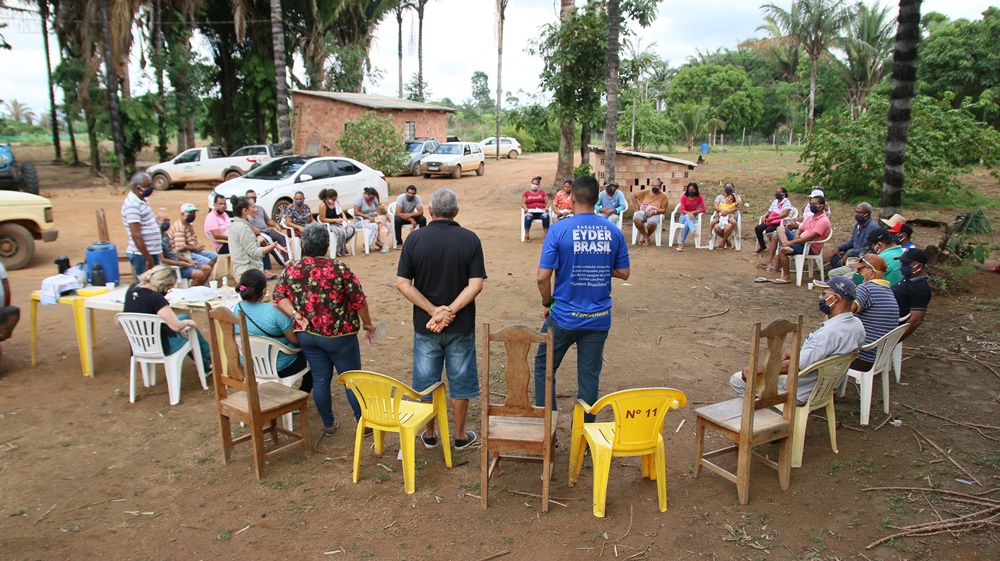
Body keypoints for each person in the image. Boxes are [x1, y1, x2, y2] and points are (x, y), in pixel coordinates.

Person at [533, 175, 630, 422]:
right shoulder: (612, 231)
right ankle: (585, 436)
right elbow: (624, 272)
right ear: (597, 199)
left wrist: (547, 303)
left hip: (564, 317)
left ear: (572, 198)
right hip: (598, 319)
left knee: (544, 368)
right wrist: (596, 262)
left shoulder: (558, 230)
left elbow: (543, 277)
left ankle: (548, 432)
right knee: (589, 378)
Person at [396, 188, 486, 450]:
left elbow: (403, 283)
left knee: (426, 381)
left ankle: (431, 434)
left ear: (431, 212)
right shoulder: (470, 239)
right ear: (456, 212)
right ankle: (459, 436)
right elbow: (476, 285)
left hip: (426, 327)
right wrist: (449, 311)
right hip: (460, 326)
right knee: (460, 380)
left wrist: (433, 311)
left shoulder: (414, 239)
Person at [274, 223, 376, 436]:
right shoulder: (339, 269)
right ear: (328, 244)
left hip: (308, 335)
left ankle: (328, 424)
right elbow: (359, 301)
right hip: (340, 336)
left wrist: (295, 314)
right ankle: (363, 423)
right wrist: (367, 323)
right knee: (351, 379)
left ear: (303, 244)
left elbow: (278, 296)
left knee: (320, 379)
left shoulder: (292, 269)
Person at [730, 275, 865, 404]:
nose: (820, 297)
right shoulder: (857, 325)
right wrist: (798, 353)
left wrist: (759, 369)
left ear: (835, 298)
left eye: (824, 294)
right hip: (825, 386)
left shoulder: (829, 333)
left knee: (737, 379)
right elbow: (821, 353)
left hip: (802, 389)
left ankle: (761, 416)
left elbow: (796, 365)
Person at [233, 269, 311, 393]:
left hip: (250, 364)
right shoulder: (273, 312)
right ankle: (303, 392)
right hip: (279, 366)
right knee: (314, 355)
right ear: (264, 290)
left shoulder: (236, 308)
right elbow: (296, 341)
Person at [123, 264, 211, 373]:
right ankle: (207, 361)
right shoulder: (155, 298)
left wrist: (180, 323)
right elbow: (176, 326)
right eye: (168, 288)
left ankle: (207, 359)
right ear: (163, 285)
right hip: (159, 345)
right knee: (189, 328)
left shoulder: (132, 289)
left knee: (182, 318)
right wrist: (188, 322)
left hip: (138, 343)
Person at [847, 254, 899, 371]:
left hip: (862, 357)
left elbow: (844, 313)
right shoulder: (889, 293)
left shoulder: (866, 289)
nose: (857, 272)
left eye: (860, 269)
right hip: (879, 357)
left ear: (872, 273)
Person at [767, 195, 832, 284]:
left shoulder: (823, 221)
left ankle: (786, 277)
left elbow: (809, 238)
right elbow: (801, 229)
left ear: (821, 206)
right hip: (799, 241)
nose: (811, 205)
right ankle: (786, 243)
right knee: (780, 228)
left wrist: (791, 242)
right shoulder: (810, 217)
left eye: (814, 204)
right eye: (810, 203)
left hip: (809, 247)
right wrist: (797, 235)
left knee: (783, 250)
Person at [227, 195, 280, 280]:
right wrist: (272, 246)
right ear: (245, 211)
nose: (256, 210)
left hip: (243, 273)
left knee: (243, 292)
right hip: (249, 274)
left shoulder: (236, 225)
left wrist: (258, 240)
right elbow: (254, 252)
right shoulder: (244, 228)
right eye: (253, 207)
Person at [121, 172, 162, 277]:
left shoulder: (142, 200)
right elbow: (136, 235)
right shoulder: (132, 206)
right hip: (141, 255)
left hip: (150, 252)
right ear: (139, 188)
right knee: (145, 286)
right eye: (148, 186)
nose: (151, 188)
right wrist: (148, 258)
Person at [156, 210, 211, 286]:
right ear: (156, 222)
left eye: (168, 220)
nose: (167, 223)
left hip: (178, 262)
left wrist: (188, 260)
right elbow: (162, 259)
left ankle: (198, 290)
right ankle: (190, 292)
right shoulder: (156, 238)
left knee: (207, 268)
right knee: (199, 274)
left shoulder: (165, 235)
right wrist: (181, 263)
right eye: (165, 220)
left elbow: (172, 253)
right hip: (171, 267)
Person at [891, 248, 932, 342]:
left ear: (920, 266)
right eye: (903, 262)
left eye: (908, 263)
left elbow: (916, 320)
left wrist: (893, 341)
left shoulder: (921, 288)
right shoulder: (908, 279)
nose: (904, 266)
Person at [828, 203, 880, 274]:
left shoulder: (872, 227)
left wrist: (849, 254)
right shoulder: (858, 225)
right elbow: (853, 241)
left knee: (838, 262)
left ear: (867, 215)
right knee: (835, 258)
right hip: (855, 253)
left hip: (864, 256)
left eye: (860, 213)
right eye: (856, 212)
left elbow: (867, 247)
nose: (857, 215)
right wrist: (839, 248)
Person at [245, 189, 289, 269]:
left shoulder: (260, 208)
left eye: (254, 197)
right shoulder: (246, 212)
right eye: (250, 197)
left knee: (282, 237)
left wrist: (275, 224)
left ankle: (288, 259)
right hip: (259, 233)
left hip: (266, 230)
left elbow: (268, 220)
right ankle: (283, 262)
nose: (253, 199)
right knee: (269, 241)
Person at [169, 203, 217, 268]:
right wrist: (195, 248)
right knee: (207, 262)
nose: (193, 215)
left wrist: (198, 246)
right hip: (183, 254)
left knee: (214, 256)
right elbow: (180, 248)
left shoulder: (189, 225)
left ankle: (205, 275)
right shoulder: (179, 228)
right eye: (190, 212)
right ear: (182, 214)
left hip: (191, 251)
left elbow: (192, 240)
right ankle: (201, 273)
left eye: (194, 212)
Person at [753, 186, 793, 253]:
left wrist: (772, 218)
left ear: (784, 194)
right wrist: (765, 216)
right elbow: (769, 211)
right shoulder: (775, 202)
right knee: (758, 228)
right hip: (771, 221)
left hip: (780, 222)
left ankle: (774, 247)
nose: (777, 193)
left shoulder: (787, 202)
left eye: (779, 192)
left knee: (769, 230)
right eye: (776, 192)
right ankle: (762, 246)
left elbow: (784, 214)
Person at [318, 188, 356, 257]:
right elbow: (322, 219)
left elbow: (341, 212)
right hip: (329, 224)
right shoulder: (323, 205)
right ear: (327, 197)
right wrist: (335, 220)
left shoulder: (336, 202)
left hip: (338, 222)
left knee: (351, 230)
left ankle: (338, 246)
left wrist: (344, 217)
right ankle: (341, 251)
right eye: (333, 199)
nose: (334, 200)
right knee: (341, 232)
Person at [631, 179, 669, 246]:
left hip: (656, 213)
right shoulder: (646, 192)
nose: (654, 187)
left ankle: (647, 236)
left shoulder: (664, 196)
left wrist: (654, 211)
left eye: (656, 186)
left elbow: (664, 210)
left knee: (651, 223)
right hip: (643, 211)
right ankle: (645, 236)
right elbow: (633, 195)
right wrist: (637, 206)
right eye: (653, 185)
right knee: (636, 219)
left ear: (660, 187)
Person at [710, 181, 742, 250]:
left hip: (731, 217)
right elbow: (715, 206)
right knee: (716, 227)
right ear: (724, 188)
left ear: (733, 188)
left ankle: (722, 244)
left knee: (728, 227)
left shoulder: (736, 197)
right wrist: (722, 211)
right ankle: (728, 242)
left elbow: (738, 205)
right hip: (720, 217)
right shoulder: (719, 197)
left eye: (730, 187)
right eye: (726, 187)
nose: (728, 188)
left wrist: (734, 194)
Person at [676, 181, 706, 251]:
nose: (691, 191)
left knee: (687, 223)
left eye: (693, 190)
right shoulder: (683, 197)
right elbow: (682, 210)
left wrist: (693, 212)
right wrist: (689, 213)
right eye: (689, 190)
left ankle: (681, 243)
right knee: (687, 216)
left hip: (693, 218)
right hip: (683, 217)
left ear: (696, 190)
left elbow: (703, 209)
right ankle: (693, 232)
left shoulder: (699, 197)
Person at [521, 176, 549, 242]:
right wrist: (525, 208)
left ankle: (545, 235)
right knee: (528, 218)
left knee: (546, 217)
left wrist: (546, 208)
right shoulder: (526, 193)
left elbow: (547, 203)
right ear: (531, 183)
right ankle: (527, 235)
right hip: (530, 212)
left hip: (541, 212)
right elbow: (523, 203)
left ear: (539, 185)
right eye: (533, 183)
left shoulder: (542, 193)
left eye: (536, 184)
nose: (534, 185)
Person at [353, 187, 380, 252]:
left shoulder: (374, 199)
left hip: (372, 220)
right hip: (360, 221)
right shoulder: (359, 199)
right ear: (366, 194)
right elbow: (356, 212)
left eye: (373, 198)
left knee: (385, 224)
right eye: (370, 198)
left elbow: (378, 208)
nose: (371, 199)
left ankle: (380, 243)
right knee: (374, 226)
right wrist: (368, 217)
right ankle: (367, 245)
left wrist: (380, 216)